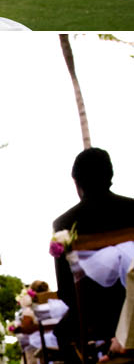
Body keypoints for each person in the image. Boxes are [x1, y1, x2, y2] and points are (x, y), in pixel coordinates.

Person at [52, 146, 134, 347]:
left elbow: (65, 290)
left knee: (61, 333)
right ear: (111, 175)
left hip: (94, 318)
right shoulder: (133, 209)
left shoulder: (64, 223)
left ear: (77, 182)